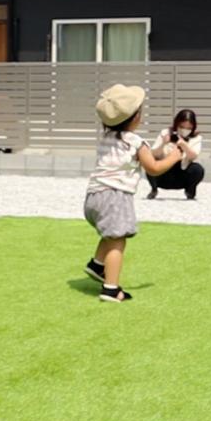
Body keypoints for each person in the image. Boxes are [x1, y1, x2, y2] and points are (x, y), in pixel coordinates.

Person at [82, 84, 185, 302]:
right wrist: (174, 157)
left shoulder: (106, 139)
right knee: (117, 240)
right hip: (114, 197)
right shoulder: (137, 143)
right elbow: (154, 168)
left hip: (93, 197)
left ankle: (97, 265)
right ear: (136, 117)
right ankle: (111, 289)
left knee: (110, 233)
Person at [146, 109, 205, 200]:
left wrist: (184, 145)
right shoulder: (165, 133)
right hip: (164, 172)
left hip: (182, 171)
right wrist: (163, 144)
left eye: (188, 128)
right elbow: (154, 154)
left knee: (197, 169)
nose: (184, 130)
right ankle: (154, 189)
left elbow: (193, 156)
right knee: (150, 163)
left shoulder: (196, 138)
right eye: (181, 126)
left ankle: (190, 191)